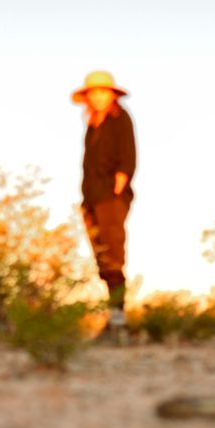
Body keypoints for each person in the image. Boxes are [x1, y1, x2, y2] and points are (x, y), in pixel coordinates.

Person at [71, 70, 136, 330]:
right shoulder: (92, 124)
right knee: (100, 255)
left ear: (112, 94)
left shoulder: (120, 119)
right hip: (91, 197)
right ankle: (114, 315)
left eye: (102, 92)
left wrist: (120, 182)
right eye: (93, 93)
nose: (98, 97)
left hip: (111, 195)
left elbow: (128, 154)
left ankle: (119, 317)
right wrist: (85, 200)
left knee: (113, 253)